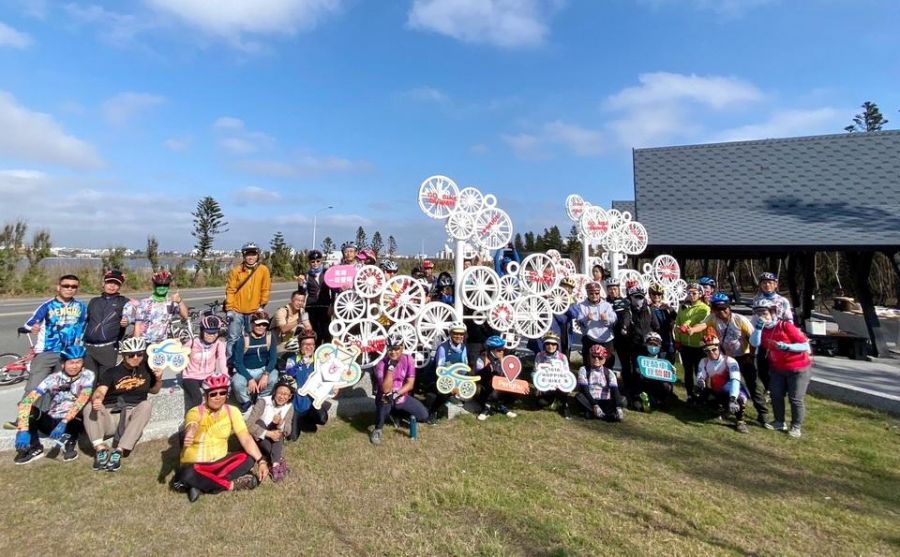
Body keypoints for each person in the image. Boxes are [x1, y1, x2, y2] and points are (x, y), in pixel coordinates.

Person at [172, 373, 269, 502]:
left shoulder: (232, 411)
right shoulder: (195, 411)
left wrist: (261, 461)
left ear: (227, 394)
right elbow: (192, 423)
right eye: (213, 394)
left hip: (218, 463)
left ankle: (200, 484)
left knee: (248, 458)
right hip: (196, 465)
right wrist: (191, 431)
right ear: (205, 395)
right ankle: (231, 485)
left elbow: (245, 438)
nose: (218, 397)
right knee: (183, 477)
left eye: (222, 393)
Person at [83, 337, 162, 472]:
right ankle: (100, 450)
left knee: (146, 405)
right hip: (110, 414)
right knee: (89, 406)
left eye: (140, 354)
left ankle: (119, 451)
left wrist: (159, 379)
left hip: (130, 416)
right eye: (131, 355)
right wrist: (97, 399)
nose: (136, 358)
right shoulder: (111, 372)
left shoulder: (148, 370)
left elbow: (154, 391)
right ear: (124, 355)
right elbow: (101, 390)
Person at [13, 345, 94, 464]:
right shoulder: (53, 379)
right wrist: (23, 429)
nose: (75, 366)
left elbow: (81, 400)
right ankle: (35, 447)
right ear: (62, 364)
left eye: (79, 362)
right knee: (29, 409)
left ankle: (69, 442)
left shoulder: (88, 376)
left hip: (72, 419)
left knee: (77, 412)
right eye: (71, 362)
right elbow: (27, 401)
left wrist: (64, 421)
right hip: (53, 419)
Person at [705, 293, 770, 428]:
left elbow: (753, 338)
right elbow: (702, 325)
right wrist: (691, 330)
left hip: (744, 356)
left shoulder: (739, 320)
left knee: (754, 385)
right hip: (727, 358)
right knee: (724, 383)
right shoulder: (713, 319)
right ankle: (727, 408)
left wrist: (751, 356)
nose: (721, 312)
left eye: (724, 309)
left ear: (729, 308)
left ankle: (763, 415)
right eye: (717, 309)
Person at [750, 299, 812, 438]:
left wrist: (786, 346)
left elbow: (805, 346)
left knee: (795, 398)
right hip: (777, 368)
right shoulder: (763, 329)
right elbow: (755, 342)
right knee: (776, 395)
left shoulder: (785, 326)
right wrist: (759, 329)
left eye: (764, 312)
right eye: (758, 313)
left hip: (798, 368)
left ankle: (796, 426)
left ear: (773, 312)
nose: (761, 316)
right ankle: (779, 421)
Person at [21, 274, 87, 398]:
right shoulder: (47, 306)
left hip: (69, 355)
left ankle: (52, 416)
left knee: (61, 390)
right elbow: (29, 323)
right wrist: (33, 327)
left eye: (74, 286)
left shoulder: (81, 307)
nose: (70, 289)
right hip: (47, 352)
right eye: (66, 286)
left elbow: (83, 328)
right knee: (33, 389)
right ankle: (25, 416)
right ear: (58, 287)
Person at [370, 339, 429, 445]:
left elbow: (410, 384)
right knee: (386, 398)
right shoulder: (380, 364)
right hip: (385, 397)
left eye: (397, 349)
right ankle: (378, 429)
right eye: (391, 349)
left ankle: (396, 413)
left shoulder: (408, 359)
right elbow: (386, 389)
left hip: (400, 395)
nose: (393, 352)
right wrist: (390, 368)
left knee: (424, 416)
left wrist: (396, 394)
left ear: (402, 348)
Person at [225, 242, 272, 360]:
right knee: (233, 338)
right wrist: (229, 309)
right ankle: (231, 363)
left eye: (253, 254)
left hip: (254, 310)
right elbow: (230, 290)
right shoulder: (237, 270)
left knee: (252, 337)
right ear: (244, 256)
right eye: (248, 255)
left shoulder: (263, 270)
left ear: (257, 255)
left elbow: (265, 289)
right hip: (236, 310)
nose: (250, 257)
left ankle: (250, 361)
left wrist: (262, 305)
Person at [694, 335, 750, 434]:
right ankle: (723, 409)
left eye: (714, 349)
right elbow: (700, 375)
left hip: (732, 390)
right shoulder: (704, 361)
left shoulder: (730, 361)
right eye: (707, 351)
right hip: (717, 390)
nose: (711, 353)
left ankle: (740, 421)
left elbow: (735, 381)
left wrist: (733, 398)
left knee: (740, 398)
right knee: (700, 394)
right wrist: (700, 381)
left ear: (719, 347)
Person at [751, 272, 795, 392]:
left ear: (775, 284)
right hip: (763, 336)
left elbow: (789, 319)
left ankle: (781, 389)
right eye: (764, 283)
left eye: (770, 282)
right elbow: (754, 319)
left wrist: (789, 336)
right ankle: (769, 389)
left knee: (779, 366)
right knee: (762, 367)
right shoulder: (756, 300)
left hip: (779, 336)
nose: (767, 285)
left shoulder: (782, 300)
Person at [247, 376, 296, 482]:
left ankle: (275, 465)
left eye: (285, 394)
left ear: (289, 396)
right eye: (280, 393)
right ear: (275, 392)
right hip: (258, 436)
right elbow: (249, 424)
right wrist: (268, 433)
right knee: (259, 422)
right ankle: (277, 460)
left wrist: (280, 424)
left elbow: (288, 430)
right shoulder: (263, 401)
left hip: (275, 438)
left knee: (279, 432)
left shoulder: (289, 407)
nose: (282, 397)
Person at [83, 270, 131, 378]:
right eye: (109, 282)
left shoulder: (124, 302)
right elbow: (85, 321)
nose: (112, 286)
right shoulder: (94, 301)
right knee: (87, 382)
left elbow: (133, 316)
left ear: (120, 286)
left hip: (108, 348)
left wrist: (127, 321)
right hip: (89, 349)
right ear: (103, 284)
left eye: (116, 284)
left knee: (105, 381)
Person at [281, 333, 329, 438]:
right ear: (300, 345)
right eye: (305, 344)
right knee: (292, 437)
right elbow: (289, 373)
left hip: (312, 402)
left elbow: (328, 378)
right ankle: (298, 421)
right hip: (296, 404)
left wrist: (334, 388)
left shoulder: (319, 360)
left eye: (311, 344)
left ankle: (307, 420)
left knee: (322, 418)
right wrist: (301, 362)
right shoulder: (292, 359)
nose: (309, 347)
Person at [621, 285, 660, 409]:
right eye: (636, 297)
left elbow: (656, 325)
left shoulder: (649, 310)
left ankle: (652, 394)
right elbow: (626, 321)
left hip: (649, 346)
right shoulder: (629, 311)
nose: (639, 299)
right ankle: (637, 394)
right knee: (637, 371)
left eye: (641, 297)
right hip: (635, 345)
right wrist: (624, 328)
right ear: (631, 298)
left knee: (650, 371)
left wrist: (653, 336)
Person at [232, 311, 279, 412]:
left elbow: (273, 359)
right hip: (246, 370)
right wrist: (250, 379)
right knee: (237, 383)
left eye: (264, 324)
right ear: (252, 324)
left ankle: (261, 400)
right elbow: (238, 363)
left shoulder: (270, 337)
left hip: (263, 369)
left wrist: (266, 374)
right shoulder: (243, 339)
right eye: (258, 324)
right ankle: (246, 403)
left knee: (274, 377)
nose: (261, 327)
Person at [181, 315, 228, 413]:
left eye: (214, 333)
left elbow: (222, 360)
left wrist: (226, 376)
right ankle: (193, 419)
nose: (211, 335)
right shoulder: (193, 343)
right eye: (208, 333)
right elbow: (179, 355)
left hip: (208, 376)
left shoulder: (219, 344)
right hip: (191, 377)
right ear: (202, 331)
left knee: (216, 396)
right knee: (197, 398)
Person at [425, 323, 468, 423]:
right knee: (443, 392)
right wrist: (452, 385)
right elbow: (440, 370)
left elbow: (464, 367)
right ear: (450, 334)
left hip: (455, 376)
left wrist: (459, 383)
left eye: (461, 334)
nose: (459, 336)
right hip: (439, 377)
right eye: (456, 333)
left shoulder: (463, 347)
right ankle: (432, 412)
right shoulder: (442, 348)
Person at [674, 282, 710, 402]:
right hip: (685, 345)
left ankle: (702, 395)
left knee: (699, 372)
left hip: (699, 345)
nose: (691, 295)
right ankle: (690, 395)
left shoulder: (704, 308)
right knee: (687, 372)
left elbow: (695, 320)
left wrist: (686, 325)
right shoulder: (683, 306)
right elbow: (678, 322)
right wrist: (678, 340)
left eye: (694, 293)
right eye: (689, 293)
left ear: (700, 294)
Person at [569, 281, 617, 370]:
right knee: (589, 363)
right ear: (587, 293)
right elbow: (579, 322)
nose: (594, 295)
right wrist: (586, 319)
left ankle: (608, 381)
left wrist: (607, 319)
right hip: (590, 338)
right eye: (591, 293)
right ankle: (588, 381)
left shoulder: (607, 305)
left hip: (606, 339)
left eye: (596, 293)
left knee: (608, 363)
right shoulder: (582, 305)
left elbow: (614, 320)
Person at [132, 270, 188, 344]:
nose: (162, 287)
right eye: (159, 285)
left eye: (165, 285)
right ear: (154, 285)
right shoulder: (144, 303)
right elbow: (137, 325)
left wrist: (180, 301)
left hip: (163, 344)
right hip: (145, 342)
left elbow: (185, 316)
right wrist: (136, 344)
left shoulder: (171, 303)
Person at [574, 344, 625, 422]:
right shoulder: (583, 369)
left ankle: (592, 414)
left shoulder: (609, 372)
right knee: (579, 396)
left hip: (605, 401)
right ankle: (605, 416)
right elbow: (585, 390)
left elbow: (615, 390)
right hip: (590, 400)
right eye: (593, 356)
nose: (596, 359)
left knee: (623, 399)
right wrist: (595, 405)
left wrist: (619, 407)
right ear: (589, 357)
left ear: (604, 360)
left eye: (600, 357)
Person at [475, 336, 518, 420]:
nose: (502, 352)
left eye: (503, 349)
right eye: (499, 350)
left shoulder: (505, 360)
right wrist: (488, 369)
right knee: (494, 391)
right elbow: (478, 376)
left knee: (515, 390)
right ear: (491, 350)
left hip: (502, 386)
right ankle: (486, 409)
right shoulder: (481, 359)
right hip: (485, 387)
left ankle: (502, 406)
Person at [533, 332, 572, 419]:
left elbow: (566, 374)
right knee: (540, 403)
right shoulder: (539, 356)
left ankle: (564, 406)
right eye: (548, 343)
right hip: (545, 385)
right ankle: (552, 400)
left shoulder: (562, 357)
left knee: (563, 391)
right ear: (544, 345)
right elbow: (535, 371)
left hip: (558, 385)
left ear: (557, 345)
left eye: (554, 344)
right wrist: (538, 386)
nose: (551, 346)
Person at [634, 332, 675, 411]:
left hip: (658, 383)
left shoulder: (664, 357)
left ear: (660, 345)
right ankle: (645, 399)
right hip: (644, 383)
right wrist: (639, 371)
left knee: (667, 386)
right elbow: (636, 370)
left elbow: (669, 374)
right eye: (651, 344)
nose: (653, 346)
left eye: (655, 344)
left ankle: (661, 400)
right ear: (646, 344)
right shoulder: (640, 357)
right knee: (638, 406)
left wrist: (672, 371)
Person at [303, 250, 332, 345]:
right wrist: (300, 285)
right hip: (312, 307)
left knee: (327, 331)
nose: (315, 263)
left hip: (325, 305)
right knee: (315, 332)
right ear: (309, 262)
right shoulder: (306, 275)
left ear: (321, 261)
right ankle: (315, 352)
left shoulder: (327, 273)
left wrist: (332, 304)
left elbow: (333, 289)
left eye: (317, 261)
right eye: (312, 261)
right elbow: (302, 292)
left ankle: (328, 353)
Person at [648, 283, 677, 363]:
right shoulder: (648, 308)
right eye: (654, 294)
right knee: (658, 361)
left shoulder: (667, 308)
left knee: (671, 361)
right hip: (654, 338)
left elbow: (677, 318)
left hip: (668, 338)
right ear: (650, 295)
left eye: (659, 294)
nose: (656, 296)